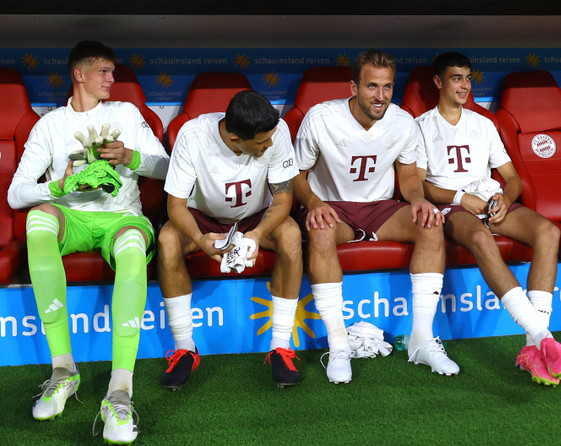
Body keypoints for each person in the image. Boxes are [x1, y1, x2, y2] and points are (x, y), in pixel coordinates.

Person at [8, 41, 170, 443]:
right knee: (38, 219)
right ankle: (63, 371)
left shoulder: (127, 114)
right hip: (73, 217)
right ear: (78, 74)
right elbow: (16, 194)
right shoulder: (50, 125)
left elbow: (169, 168)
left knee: (133, 247)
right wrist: (58, 185)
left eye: (112, 72)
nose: (112, 79)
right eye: (103, 72)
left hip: (122, 217)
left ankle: (120, 391)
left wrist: (130, 156)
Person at [293, 49, 455, 384]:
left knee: (431, 223)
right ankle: (338, 345)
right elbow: (296, 174)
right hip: (333, 206)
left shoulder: (402, 121)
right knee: (321, 232)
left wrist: (419, 201)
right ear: (353, 87)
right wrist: (312, 202)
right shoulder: (321, 117)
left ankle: (422, 339)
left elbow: (409, 176)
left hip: (380, 207)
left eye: (387, 87)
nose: (380, 96)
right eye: (371, 87)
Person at [415, 51, 561, 387]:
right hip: (452, 206)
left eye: (469, 78)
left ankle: (534, 347)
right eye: (457, 78)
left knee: (548, 232)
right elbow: (417, 186)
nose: (465, 85)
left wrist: (505, 197)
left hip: (490, 200)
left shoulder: (483, 123)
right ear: (438, 82)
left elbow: (512, 178)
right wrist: (460, 198)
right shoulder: (421, 127)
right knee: (480, 238)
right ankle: (542, 335)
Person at [157, 90, 303, 389]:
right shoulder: (193, 135)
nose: (270, 145)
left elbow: (284, 195)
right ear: (236, 139)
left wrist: (256, 235)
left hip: (256, 216)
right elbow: (175, 206)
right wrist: (200, 240)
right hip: (204, 218)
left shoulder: (277, 129)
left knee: (291, 234)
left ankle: (281, 346)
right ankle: (185, 348)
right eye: (261, 143)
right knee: (168, 239)